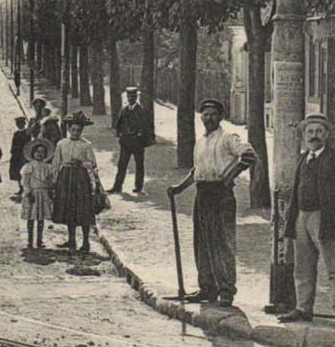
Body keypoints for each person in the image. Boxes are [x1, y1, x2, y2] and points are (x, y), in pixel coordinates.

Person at [169, 99, 256, 307]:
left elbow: (248, 155)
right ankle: (207, 289)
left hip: (221, 196)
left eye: (213, 114)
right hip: (202, 194)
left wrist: (229, 177)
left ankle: (226, 291)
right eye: (205, 114)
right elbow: (197, 171)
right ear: (201, 117)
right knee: (202, 243)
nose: (209, 118)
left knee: (222, 244)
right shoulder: (200, 142)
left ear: (221, 117)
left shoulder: (228, 138)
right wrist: (179, 188)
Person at [278, 113, 335, 329]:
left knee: (334, 268)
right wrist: (292, 218)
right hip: (301, 217)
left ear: (327, 135)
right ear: (304, 135)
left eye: (319, 131)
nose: (314, 136)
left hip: (324, 219)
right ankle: (303, 309)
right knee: (302, 268)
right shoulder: (303, 158)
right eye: (310, 132)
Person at [51, 111, 99, 253]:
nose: (76, 133)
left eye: (78, 130)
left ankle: (85, 241)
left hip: (81, 178)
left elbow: (92, 163)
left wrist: (81, 163)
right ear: (68, 129)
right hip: (65, 177)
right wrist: (54, 181)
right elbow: (56, 163)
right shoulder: (62, 144)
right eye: (73, 130)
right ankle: (71, 239)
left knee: (83, 208)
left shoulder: (86, 145)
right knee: (68, 207)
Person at [109, 86, 154, 194]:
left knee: (139, 165)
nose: (130, 99)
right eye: (129, 96)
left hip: (137, 143)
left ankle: (138, 187)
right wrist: (120, 134)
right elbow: (118, 124)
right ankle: (117, 187)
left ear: (136, 97)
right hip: (126, 143)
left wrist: (140, 136)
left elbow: (146, 126)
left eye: (133, 96)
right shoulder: (124, 110)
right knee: (121, 165)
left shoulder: (141, 111)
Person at [21, 138, 55, 249]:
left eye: (42, 152)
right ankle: (30, 240)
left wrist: (50, 191)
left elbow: (50, 181)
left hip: (43, 194)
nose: (40, 154)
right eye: (37, 152)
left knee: (41, 218)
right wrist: (28, 193)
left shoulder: (48, 167)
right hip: (33, 193)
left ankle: (39, 240)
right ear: (33, 153)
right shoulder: (29, 166)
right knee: (31, 217)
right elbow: (25, 182)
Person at [9, 116, 30, 195]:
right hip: (16, 155)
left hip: (24, 155)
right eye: (17, 124)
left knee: (24, 172)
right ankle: (20, 188)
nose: (18, 125)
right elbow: (13, 144)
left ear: (23, 124)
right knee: (17, 171)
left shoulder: (27, 133)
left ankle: (25, 188)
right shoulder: (16, 133)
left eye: (20, 123)